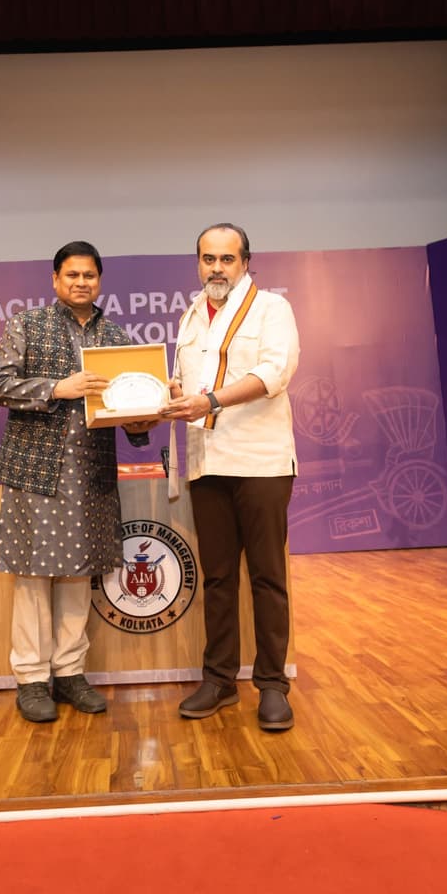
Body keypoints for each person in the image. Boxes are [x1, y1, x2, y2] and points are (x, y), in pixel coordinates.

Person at [0, 241, 153, 724]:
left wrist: (140, 423)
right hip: (35, 471)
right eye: (72, 275)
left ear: (100, 281)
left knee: (79, 575)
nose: (82, 282)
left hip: (91, 472)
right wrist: (58, 388)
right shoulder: (27, 325)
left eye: (90, 275)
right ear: (56, 280)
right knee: (35, 578)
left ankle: (71, 673)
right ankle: (32, 679)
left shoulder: (117, 338)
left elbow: (129, 410)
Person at [161, 224, 301, 731]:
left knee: (267, 577)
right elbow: (192, 382)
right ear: (197, 263)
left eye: (226, 258)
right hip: (206, 462)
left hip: (260, 461)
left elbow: (274, 374)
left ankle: (271, 686)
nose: (216, 268)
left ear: (245, 262)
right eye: (207, 259)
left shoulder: (272, 309)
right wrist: (176, 394)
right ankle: (219, 680)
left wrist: (211, 400)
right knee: (218, 578)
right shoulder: (192, 315)